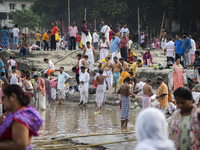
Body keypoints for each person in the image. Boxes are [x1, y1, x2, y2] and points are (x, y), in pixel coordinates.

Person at [0, 84, 43, 149]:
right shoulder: (18, 113)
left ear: (13, 97)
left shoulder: (20, 118)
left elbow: (20, 145)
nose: (2, 102)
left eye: (3, 98)